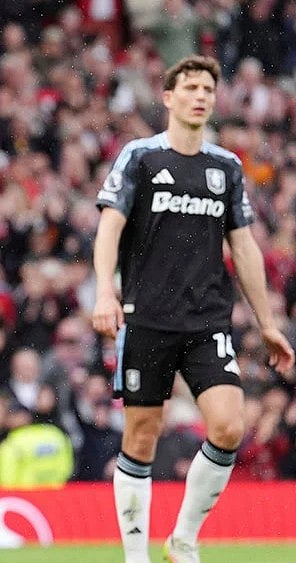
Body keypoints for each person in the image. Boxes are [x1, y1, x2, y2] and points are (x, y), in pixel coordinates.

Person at [92, 55, 295, 563]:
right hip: (146, 318)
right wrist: (103, 291)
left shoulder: (225, 167)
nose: (201, 95)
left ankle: (183, 539)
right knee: (140, 437)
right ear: (168, 97)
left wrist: (268, 323)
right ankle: (135, 555)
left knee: (228, 425)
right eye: (190, 87)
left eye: (208, 87)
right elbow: (110, 227)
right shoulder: (139, 157)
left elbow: (244, 247)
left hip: (207, 321)